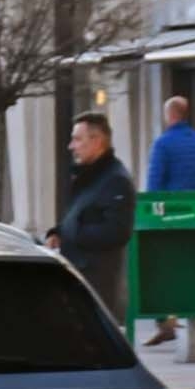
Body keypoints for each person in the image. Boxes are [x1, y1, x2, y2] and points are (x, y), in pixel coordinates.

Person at [46, 113, 136, 325]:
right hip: (79, 278)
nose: (71, 146)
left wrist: (73, 234)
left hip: (97, 284)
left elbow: (117, 231)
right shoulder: (90, 177)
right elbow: (80, 215)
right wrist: (58, 232)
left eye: (77, 139)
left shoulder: (115, 180)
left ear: (97, 141)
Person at [140, 98, 195, 345]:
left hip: (168, 216)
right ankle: (190, 308)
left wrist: (151, 214)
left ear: (169, 115)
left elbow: (154, 185)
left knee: (162, 267)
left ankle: (166, 320)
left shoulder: (163, 144)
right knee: (192, 263)